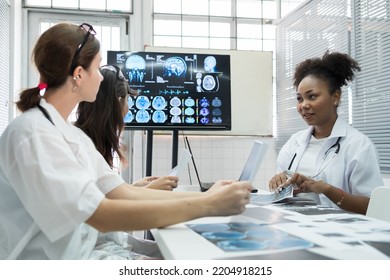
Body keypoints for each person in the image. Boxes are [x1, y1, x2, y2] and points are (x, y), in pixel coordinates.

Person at [0, 22, 252, 260]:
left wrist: (211, 196)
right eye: (97, 67)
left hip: (87, 254)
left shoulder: (70, 134)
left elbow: (124, 193)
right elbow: (101, 215)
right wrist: (209, 205)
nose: (100, 77)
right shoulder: (33, 134)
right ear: (78, 74)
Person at [268, 51, 383, 215]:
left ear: (335, 97)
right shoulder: (295, 142)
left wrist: (327, 189)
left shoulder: (358, 145)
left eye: (312, 97)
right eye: (300, 99)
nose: (304, 105)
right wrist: (278, 183)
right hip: (296, 224)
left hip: (340, 231)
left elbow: (371, 206)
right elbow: (280, 193)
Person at [75, 64, 177, 191]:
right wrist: (148, 190)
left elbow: (104, 193)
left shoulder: (85, 138)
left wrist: (132, 188)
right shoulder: (84, 146)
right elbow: (103, 205)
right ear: (117, 102)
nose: (128, 108)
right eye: (127, 100)